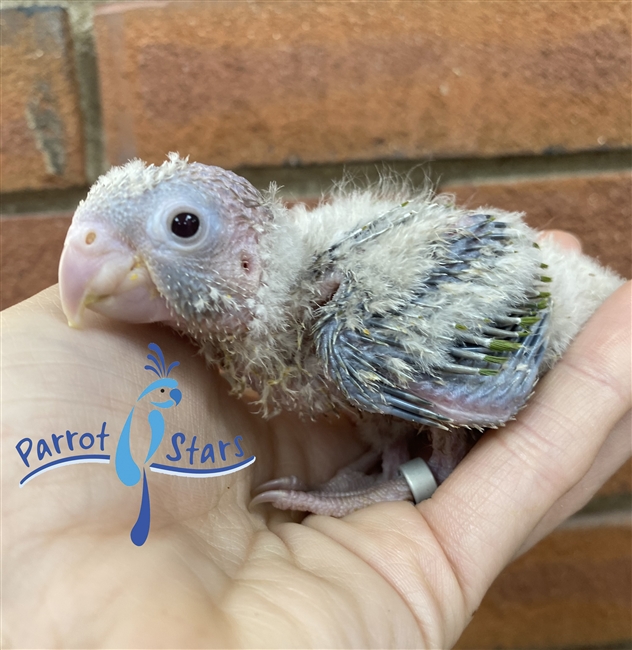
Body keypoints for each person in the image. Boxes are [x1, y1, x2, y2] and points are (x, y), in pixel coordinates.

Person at [2, 232, 630, 648]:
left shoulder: (349, 324)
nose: (91, 252)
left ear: (249, 259)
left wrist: (415, 471)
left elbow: (493, 387)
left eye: (185, 225)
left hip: (546, 332)